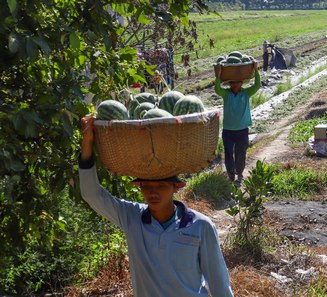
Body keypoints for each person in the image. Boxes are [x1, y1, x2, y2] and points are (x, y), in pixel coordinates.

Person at [78, 116, 234, 297]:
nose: (153, 193)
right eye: (147, 187)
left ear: (176, 187)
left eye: (161, 186)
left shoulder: (201, 226)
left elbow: (218, 281)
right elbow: (91, 194)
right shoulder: (132, 218)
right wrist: (87, 144)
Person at [214, 62, 261, 185]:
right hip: (228, 131)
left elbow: (257, 85)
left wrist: (256, 70)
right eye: (232, 83)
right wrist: (218, 75)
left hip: (242, 130)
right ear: (229, 84)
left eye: (237, 82)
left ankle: (239, 173)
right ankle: (231, 175)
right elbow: (218, 89)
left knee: (241, 153)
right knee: (229, 153)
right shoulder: (226, 94)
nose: (235, 85)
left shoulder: (246, 93)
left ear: (241, 83)